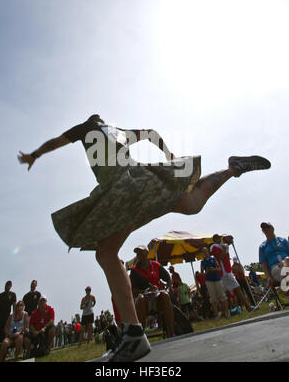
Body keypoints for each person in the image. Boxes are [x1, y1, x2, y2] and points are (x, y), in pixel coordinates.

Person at [18, 113, 271, 361]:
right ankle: (232, 168)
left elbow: (55, 142)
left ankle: (133, 334)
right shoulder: (117, 132)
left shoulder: (85, 129)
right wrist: (169, 155)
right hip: (147, 181)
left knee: (105, 253)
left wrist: (34, 155)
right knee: (192, 202)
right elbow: (151, 134)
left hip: (125, 190)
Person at [130, 245, 175, 338]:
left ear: (146, 253)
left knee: (165, 296)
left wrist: (166, 288)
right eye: (137, 253)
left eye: (140, 252)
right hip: (143, 298)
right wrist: (145, 290)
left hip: (157, 297)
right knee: (141, 300)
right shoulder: (134, 270)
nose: (139, 255)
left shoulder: (156, 265)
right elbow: (133, 291)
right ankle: (142, 336)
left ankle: (171, 333)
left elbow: (168, 279)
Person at [210, 235, 254, 312]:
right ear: (215, 240)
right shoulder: (214, 247)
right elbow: (220, 257)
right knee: (234, 290)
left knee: (232, 291)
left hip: (227, 270)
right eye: (217, 238)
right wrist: (224, 249)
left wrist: (226, 247)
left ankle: (244, 307)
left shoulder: (223, 245)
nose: (219, 240)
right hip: (224, 272)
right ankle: (245, 307)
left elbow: (227, 257)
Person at [200, 247, 229, 320]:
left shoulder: (213, 258)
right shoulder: (202, 262)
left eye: (206, 251)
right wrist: (206, 272)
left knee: (222, 295)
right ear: (202, 253)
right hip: (209, 280)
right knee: (213, 298)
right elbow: (202, 273)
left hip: (217, 278)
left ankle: (225, 312)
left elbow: (219, 268)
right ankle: (216, 314)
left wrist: (214, 269)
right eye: (203, 252)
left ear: (208, 252)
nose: (205, 253)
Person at [259, 222, 289, 288]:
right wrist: (268, 277)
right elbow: (264, 265)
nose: (266, 229)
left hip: (287, 262)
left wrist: (285, 262)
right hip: (276, 267)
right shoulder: (262, 247)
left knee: (287, 260)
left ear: (272, 228)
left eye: (268, 227)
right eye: (264, 228)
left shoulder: (283, 240)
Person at [0, 281, 17, 350]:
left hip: (5, 322)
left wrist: (14, 320)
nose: (7, 286)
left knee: (2, 340)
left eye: (9, 285)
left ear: (11, 286)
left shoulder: (12, 295)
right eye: (6, 284)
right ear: (5, 285)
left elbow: (14, 307)